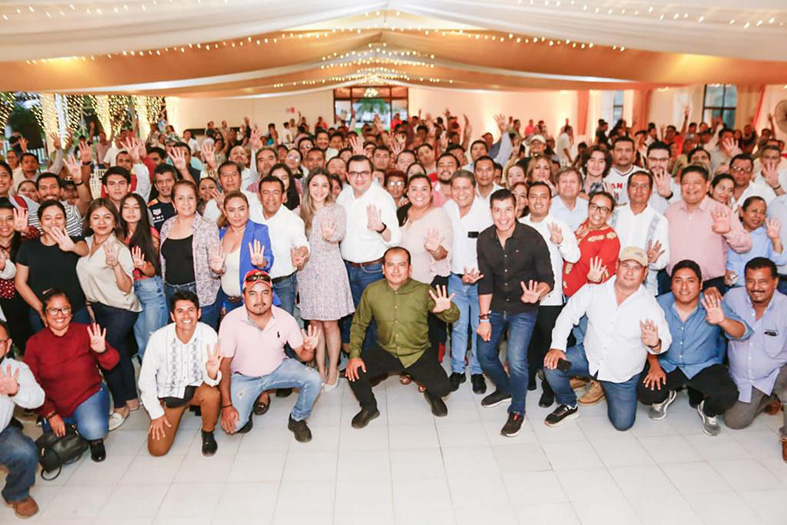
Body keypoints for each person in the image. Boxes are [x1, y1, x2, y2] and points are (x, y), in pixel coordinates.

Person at [544, 247, 671, 430]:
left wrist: (656, 343)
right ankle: (569, 404)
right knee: (552, 364)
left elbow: (665, 339)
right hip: (589, 357)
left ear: (644, 273)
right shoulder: (594, 290)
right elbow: (568, 314)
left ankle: (605, 388)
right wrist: (557, 347)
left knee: (622, 424)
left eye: (636, 268)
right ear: (617, 266)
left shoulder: (650, 305)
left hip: (621, 374)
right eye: (625, 265)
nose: (629, 272)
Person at [346, 247, 459, 428]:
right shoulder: (372, 291)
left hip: (418, 353)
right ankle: (369, 408)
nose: (396, 270)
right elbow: (359, 325)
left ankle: (431, 394)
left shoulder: (423, 290)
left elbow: (452, 317)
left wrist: (447, 309)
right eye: (391, 265)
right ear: (383, 269)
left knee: (444, 388)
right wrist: (354, 356)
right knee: (354, 372)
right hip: (386, 350)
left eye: (402, 265)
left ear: (410, 269)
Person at [476, 189, 554, 436]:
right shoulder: (484, 239)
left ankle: (517, 410)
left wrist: (538, 293)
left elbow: (548, 279)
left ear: (517, 209)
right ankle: (505, 388)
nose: (503, 216)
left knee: (517, 359)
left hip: (524, 307)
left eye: (508, 210)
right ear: (491, 212)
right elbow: (485, 282)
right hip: (496, 305)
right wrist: (484, 318)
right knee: (484, 353)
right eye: (497, 210)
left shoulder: (532, 238)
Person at [638, 260, 743, 435]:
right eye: (678, 280)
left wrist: (723, 321)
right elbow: (648, 337)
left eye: (690, 281)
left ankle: (707, 410)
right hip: (668, 364)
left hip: (703, 365)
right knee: (645, 392)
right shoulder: (658, 304)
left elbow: (741, 331)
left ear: (701, 284)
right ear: (671, 284)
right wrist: (654, 365)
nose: (684, 287)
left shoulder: (713, 303)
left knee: (728, 395)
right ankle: (665, 396)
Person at [218, 270, 321, 442]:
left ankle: (298, 418)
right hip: (244, 377)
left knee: (314, 379)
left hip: (277, 369)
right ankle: (249, 403)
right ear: (244, 296)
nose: (259, 299)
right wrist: (227, 405)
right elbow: (224, 366)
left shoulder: (285, 318)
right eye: (253, 293)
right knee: (234, 426)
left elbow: (305, 357)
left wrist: (309, 349)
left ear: (272, 295)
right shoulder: (230, 321)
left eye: (265, 293)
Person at [25, 290, 119, 462]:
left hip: (88, 396)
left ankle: (93, 439)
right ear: (44, 315)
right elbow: (31, 384)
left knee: (93, 429)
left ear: (71, 312)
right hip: (54, 403)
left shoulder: (86, 331)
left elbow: (112, 363)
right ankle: (75, 429)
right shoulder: (34, 343)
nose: (60, 315)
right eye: (53, 310)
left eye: (65, 309)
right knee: (65, 457)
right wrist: (50, 414)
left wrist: (103, 350)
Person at [76, 198, 141, 430]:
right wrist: (89, 305)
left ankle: (120, 405)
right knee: (120, 352)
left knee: (105, 353)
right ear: (89, 222)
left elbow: (126, 287)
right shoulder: (85, 244)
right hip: (99, 307)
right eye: (96, 217)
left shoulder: (118, 249)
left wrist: (115, 266)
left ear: (115, 222)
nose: (102, 222)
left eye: (107, 217)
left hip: (121, 308)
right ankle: (132, 399)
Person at [138, 291, 222, 457]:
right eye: (180, 311)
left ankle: (208, 432)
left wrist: (212, 373)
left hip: (197, 388)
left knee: (212, 394)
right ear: (172, 316)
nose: (186, 316)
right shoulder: (159, 338)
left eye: (191, 310)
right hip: (171, 393)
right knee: (157, 450)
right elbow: (146, 379)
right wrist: (156, 413)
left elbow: (211, 380)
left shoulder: (208, 334)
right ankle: (170, 411)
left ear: (199, 313)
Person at [520, 181, 580, 407]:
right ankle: (528, 377)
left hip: (551, 297)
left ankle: (548, 386)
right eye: (533, 196)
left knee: (548, 341)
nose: (538, 201)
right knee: (528, 339)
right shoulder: (519, 225)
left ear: (550, 201)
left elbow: (574, 256)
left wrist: (561, 242)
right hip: (524, 295)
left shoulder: (558, 225)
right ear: (527, 200)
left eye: (543, 197)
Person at [723, 258, 787, 460]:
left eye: (763, 281)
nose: (756, 287)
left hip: (777, 372)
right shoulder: (732, 297)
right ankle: (770, 398)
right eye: (750, 281)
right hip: (744, 377)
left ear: (775, 282)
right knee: (734, 422)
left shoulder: (785, 306)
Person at [337, 155, 402, 350]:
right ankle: (358, 359)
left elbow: (395, 238)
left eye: (364, 173)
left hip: (371, 270)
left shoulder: (382, 198)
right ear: (347, 175)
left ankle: (371, 363)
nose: (359, 178)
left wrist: (381, 228)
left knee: (372, 320)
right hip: (347, 267)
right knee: (353, 317)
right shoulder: (344, 196)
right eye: (354, 173)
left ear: (372, 175)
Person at [297, 170, 354, 391]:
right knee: (314, 323)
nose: (319, 190)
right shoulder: (299, 212)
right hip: (307, 271)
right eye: (315, 185)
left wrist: (330, 235)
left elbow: (340, 233)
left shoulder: (337, 210)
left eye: (324, 185)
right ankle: (320, 368)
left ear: (330, 189)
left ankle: (333, 369)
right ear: (307, 187)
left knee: (330, 323)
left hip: (330, 270)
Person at [665, 165, 752, 292]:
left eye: (696, 183)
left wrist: (728, 232)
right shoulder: (671, 211)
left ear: (707, 185)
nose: (691, 187)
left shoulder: (721, 211)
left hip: (710, 286)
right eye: (686, 183)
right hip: (675, 283)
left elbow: (746, 245)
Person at [443, 171, 492, 393]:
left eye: (466, 188)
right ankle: (458, 370)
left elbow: (490, 250)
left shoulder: (486, 212)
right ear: (451, 190)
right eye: (457, 188)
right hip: (455, 279)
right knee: (458, 326)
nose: (461, 192)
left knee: (478, 327)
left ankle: (478, 372)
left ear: (474, 189)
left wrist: (475, 273)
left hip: (481, 281)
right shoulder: (447, 209)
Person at [399, 174, 453, 362]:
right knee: (408, 327)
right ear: (407, 192)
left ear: (431, 192)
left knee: (429, 330)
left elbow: (443, 252)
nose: (419, 194)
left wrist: (435, 249)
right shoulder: (402, 212)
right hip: (405, 282)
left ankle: (428, 369)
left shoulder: (439, 215)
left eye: (424, 189)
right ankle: (410, 366)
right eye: (414, 189)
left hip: (430, 280)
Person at [15, 201, 91, 332]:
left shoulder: (74, 241)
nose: (53, 222)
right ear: (40, 222)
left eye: (59, 217)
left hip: (76, 310)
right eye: (47, 218)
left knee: (82, 344)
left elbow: (84, 250)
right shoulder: (28, 247)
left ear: (65, 221)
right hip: (41, 311)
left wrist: (72, 247)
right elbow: (20, 283)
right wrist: (41, 310)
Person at [160, 180, 222, 329]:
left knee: (204, 337)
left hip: (200, 293)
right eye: (180, 198)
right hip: (171, 292)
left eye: (190, 198)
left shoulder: (207, 226)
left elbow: (217, 264)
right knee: (178, 337)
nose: (186, 203)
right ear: (173, 203)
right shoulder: (167, 225)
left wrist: (217, 268)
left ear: (196, 200)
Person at [0, 320, 44, 519]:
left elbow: (38, 398)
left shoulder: (15, 369)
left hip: (1, 433)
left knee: (25, 452)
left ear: (8, 344)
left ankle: (17, 494)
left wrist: (15, 390)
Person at [120, 193, 168, 360]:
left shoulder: (151, 233)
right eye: (126, 207)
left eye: (136, 207)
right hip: (130, 291)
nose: (131, 211)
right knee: (141, 341)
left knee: (153, 339)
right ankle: (146, 374)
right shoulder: (119, 235)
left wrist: (142, 266)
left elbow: (153, 270)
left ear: (142, 211)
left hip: (150, 288)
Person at [609, 172, 670, 295]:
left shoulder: (659, 220)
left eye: (644, 186)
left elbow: (664, 259)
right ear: (627, 189)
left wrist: (653, 260)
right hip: (611, 285)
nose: (639, 190)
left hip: (645, 289)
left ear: (651, 191)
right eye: (634, 185)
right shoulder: (613, 214)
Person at [256, 176, 309, 315]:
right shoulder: (252, 216)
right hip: (256, 283)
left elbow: (301, 242)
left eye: (276, 192)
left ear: (283, 196)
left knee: (284, 322)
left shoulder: (292, 220)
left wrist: (301, 252)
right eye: (266, 192)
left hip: (283, 284)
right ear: (259, 196)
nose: (270, 197)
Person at [217, 191, 273, 313]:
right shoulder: (220, 234)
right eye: (231, 210)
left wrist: (262, 262)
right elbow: (219, 271)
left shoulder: (258, 230)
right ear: (225, 212)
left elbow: (268, 258)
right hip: (228, 301)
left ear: (248, 210)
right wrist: (216, 270)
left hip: (253, 302)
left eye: (241, 209)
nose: (237, 215)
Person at [726, 196, 787, 288]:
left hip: (757, 288)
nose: (758, 216)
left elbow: (780, 261)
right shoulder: (729, 230)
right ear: (742, 212)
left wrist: (775, 239)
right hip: (728, 286)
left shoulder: (767, 235)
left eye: (762, 213)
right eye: (754, 211)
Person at [0, 200, 33, 352]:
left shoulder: (26, 241)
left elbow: (40, 236)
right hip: (3, 308)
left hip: (29, 303)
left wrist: (25, 230)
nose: (4, 224)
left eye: (9, 219)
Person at [604, 136, 646, 203]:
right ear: (612, 153)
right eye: (619, 150)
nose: (623, 154)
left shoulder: (644, 175)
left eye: (628, 150)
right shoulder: (603, 174)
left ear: (634, 153)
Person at [551, 167, 589, 231]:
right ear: (557, 186)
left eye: (572, 182)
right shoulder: (548, 207)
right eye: (564, 182)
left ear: (580, 186)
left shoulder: (588, 208)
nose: (568, 185)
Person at [147, 164, 177, 232]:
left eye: (168, 181)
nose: (164, 185)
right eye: (160, 182)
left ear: (176, 182)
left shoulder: (183, 204)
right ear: (155, 186)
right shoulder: (149, 208)